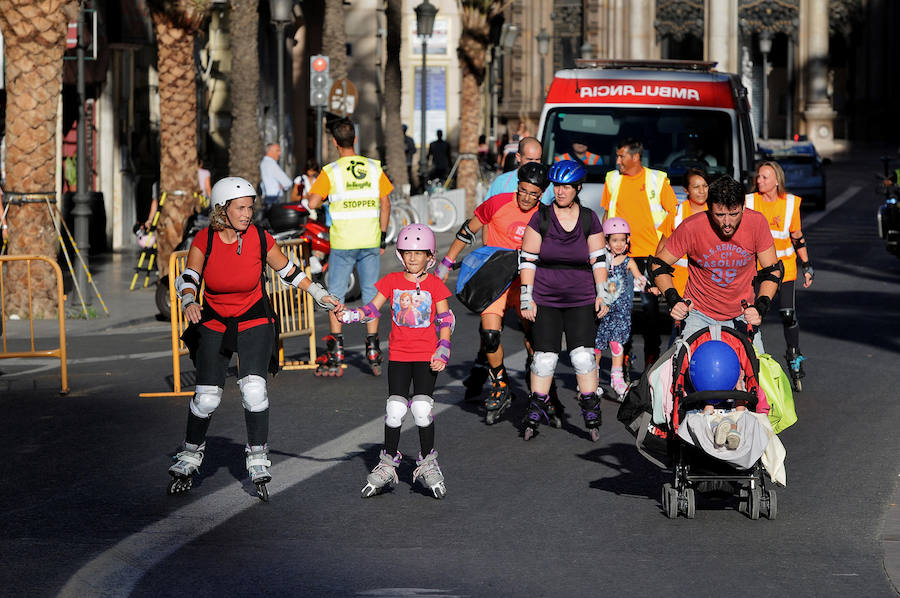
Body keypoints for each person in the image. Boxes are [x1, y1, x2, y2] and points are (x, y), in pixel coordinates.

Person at [167, 176, 342, 501]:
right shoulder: (205, 238)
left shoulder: (261, 238)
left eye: (250, 207)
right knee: (207, 397)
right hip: (215, 318)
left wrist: (318, 292)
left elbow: (288, 270)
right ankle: (190, 453)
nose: (247, 213)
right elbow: (188, 276)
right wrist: (190, 300)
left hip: (254, 316)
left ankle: (258, 455)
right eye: (241, 208)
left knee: (254, 390)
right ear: (222, 209)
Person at [340, 224, 452, 499]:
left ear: (430, 255)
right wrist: (352, 316)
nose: (413, 258)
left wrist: (443, 349)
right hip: (400, 356)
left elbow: (445, 319)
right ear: (400, 255)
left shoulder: (435, 284)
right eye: (407, 252)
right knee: (395, 409)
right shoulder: (391, 281)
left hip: (426, 357)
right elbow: (371, 308)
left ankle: (427, 461)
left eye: (419, 252)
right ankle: (388, 462)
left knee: (423, 409)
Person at [434, 162, 551, 423]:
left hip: (525, 282)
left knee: (535, 338)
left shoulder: (545, 215)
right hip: (496, 278)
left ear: (541, 194)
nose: (527, 197)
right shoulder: (497, 203)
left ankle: (541, 388)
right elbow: (468, 230)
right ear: (517, 186)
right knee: (489, 335)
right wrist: (446, 263)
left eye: (533, 194)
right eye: (523, 191)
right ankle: (500, 384)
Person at [518, 160, 610, 442]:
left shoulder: (589, 218)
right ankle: (535, 409)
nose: (560, 192)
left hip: (581, 297)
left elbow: (599, 259)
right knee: (544, 359)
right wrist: (526, 297)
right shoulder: (541, 217)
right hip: (545, 297)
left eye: (566, 187)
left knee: (582, 357)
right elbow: (528, 259)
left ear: (577, 188)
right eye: (557, 186)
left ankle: (590, 410)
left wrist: (603, 294)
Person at [649, 175, 783, 354]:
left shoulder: (756, 223)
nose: (727, 223)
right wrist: (674, 300)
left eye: (734, 214)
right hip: (699, 314)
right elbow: (658, 264)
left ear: (743, 207)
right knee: (679, 370)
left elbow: (772, 271)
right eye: (720, 215)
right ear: (709, 209)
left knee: (757, 372)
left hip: (741, 314)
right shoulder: (692, 227)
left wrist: (760, 307)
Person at [307, 117, 393, 377]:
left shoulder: (330, 172)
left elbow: (312, 202)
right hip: (369, 239)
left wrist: (324, 201)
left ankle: (336, 350)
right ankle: (373, 349)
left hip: (343, 242)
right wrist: (382, 236)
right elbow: (386, 203)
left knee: (336, 294)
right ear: (355, 138)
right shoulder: (373, 167)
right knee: (370, 293)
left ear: (335, 142)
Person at [601, 138, 678, 370]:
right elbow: (607, 214)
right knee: (618, 310)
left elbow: (672, 213)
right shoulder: (612, 179)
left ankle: (651, 362)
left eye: (621, 156)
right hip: (620, 258)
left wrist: (661, 251)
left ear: (635, 157)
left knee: (650, 313)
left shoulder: (657, 179)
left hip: (649, 257)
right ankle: (622, 360)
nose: (618, 161)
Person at [746, 160, 814, 390]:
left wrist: (807, 265)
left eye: (765, 177)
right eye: (758, 177)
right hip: (757, 270)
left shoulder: (790, 203)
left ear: (777, 181)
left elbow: (797, 236)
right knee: (754, 315)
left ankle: (794, 356)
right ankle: (749, 358)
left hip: (785, 268)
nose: (759, 181)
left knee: (787, 313)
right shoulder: (749, 201)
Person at [594, 217, 647, 401]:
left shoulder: (628, 262)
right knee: (597, 347)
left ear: (628, 240)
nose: (619, 244)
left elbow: (640, 279)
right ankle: (592, 382)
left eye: (622, 240)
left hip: (620, 312)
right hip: (601, 310)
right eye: (614, 240)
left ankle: (617, 382)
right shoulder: (601, 261)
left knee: (617, 345)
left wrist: (649, 287)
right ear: (606, 241)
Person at [656, 168, 710, 346]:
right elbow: (662, 247)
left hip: (709, 282)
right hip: (681, 282)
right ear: (686, 190)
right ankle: (675, 369)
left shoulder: (716, 213)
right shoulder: (677, 214)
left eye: (705, 186)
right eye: (696, 187)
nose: (702, 191)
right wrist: (657, 278)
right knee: (681, 330)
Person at [481, 137, 554, 207]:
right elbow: (486, 210)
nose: (534, 164)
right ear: (518, 157)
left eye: (537, 159)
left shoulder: (548, 185)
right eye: (530, 159)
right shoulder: (502, 182)